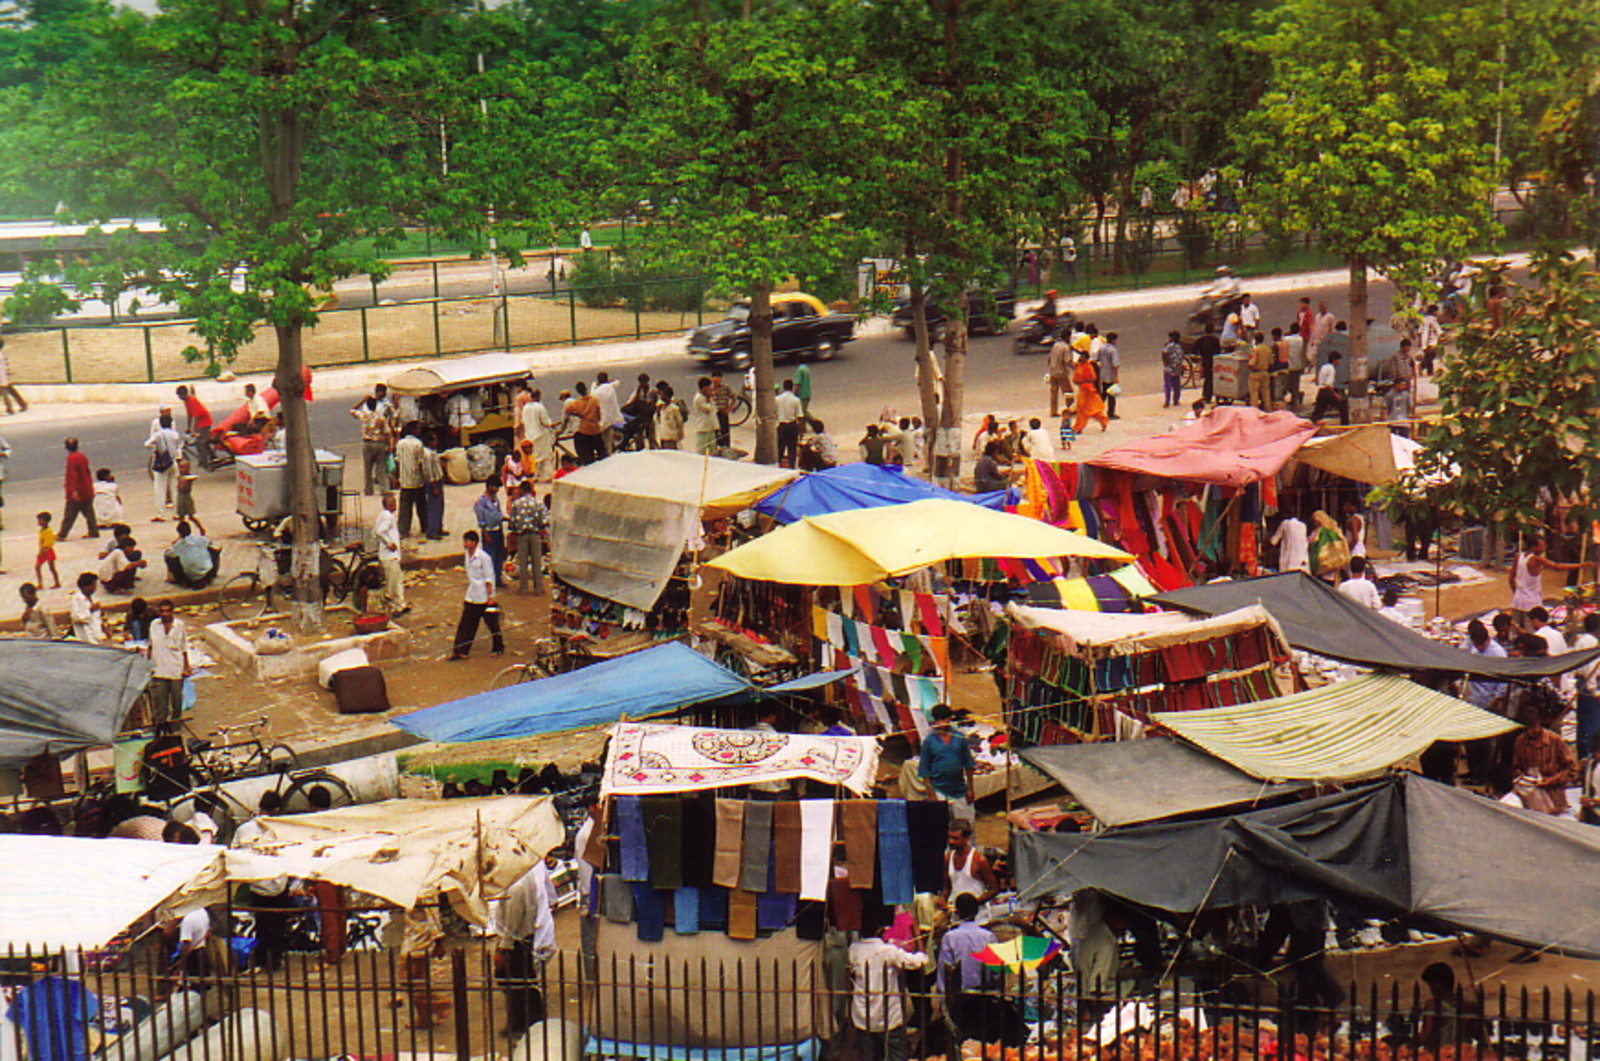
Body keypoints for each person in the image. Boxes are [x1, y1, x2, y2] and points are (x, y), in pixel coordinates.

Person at [497, 853, 557, 1035]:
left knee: (513, 982)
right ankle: (534, 1019)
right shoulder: (526, 876)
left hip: (516, 940)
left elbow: (511, 923)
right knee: (526, 979)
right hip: (526, 936)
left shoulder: (516, 886)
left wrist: (502, 947)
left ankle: (521, 1024)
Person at [848, 924, 928, 1061]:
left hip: (863, 1015)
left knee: (867, 1055)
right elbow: (918, 962)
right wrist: (920, 948)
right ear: (880, 929)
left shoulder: (853, 949)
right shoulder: (889, 951)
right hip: (888, 1015)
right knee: (896, 1054)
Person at [1511, 705, 1577, 814]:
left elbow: (1573, 769)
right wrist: (1522, 778)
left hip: (1553, 798)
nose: (1531, 732)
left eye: (1534, 728)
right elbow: (1515, 767)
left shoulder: (1555, 740)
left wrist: (1551, 780)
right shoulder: (1520, 741)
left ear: (1540, 723)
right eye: (1528, 729)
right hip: (1528, 797)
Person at [450, 530, 503, 660]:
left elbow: (489, 577)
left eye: (467, 541)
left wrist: (491, 597)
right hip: (472, 594)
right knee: (466, 623)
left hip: (484, 596)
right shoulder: (467, 555)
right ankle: (461, 650)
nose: (465, 544)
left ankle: (498, 647)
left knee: (492, 624)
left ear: (474, 542)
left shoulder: (484, 557)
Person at [1509, 536, 1584, 626]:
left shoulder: (1518, 557)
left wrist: (1516, 592)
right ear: (1534, 547)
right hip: (1531, 603)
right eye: (1542, 546)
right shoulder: (1536, 559)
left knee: (1515, 629)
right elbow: (1557, 566)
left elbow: (1511, 578)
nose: (1544, 549)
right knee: (1532, 630)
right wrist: (1580, 565)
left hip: (1517, 600)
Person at [920, 704, 976, 821]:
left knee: (966, 826)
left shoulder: (959, 738)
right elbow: (924, 770)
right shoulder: (929, 741)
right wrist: (932, 794)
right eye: (938, 720)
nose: (941, 723)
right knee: (941, 827)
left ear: (950, 719)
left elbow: (969, 764)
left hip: (960, 790)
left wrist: (970, 789)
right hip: (939, 790)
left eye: (944, 719)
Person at [146, 599, 190, 725]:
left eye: (167, 611)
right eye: (162, 611)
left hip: (175, 668)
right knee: (160, 702)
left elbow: (183, 647)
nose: (165, 614)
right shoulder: (154, 625)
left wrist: (187, 667)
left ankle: (176, 725)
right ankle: (160, 726)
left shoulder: (179, 625)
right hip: (158, 669)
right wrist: (146, 665)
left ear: (172, 612)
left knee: (176, 700)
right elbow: (150, 645)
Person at [944, 820, 998, 905]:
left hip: (978, 914)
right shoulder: (948, 858)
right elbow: (947, 887)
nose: (951, 842)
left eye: (955, 838)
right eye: (949, 838)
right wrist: (942, 899)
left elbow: (994, 889)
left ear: (967, 838)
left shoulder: (979, 860)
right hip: (955, 911)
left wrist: (974, 902)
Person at [508, 480, 548, 597]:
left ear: (521, 490)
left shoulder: (516, 504)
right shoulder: (538, 503)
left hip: (522, 535)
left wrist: (515, 530)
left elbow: (512, 522)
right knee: (536, 561)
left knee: (523, 561)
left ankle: (523, 588)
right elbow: (543, 521)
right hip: (535, 534)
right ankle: (538, 588)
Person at [350, 394, 392, 495]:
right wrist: (389, 445)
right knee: (381, 468)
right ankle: (384, 489)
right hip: (379, 443)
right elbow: (387, 432)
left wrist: (361, 401)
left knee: (367, 468)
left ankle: (368, 489)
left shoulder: (363, 415)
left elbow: (352, 410)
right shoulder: (380, 417)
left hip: (367, 443)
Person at [146, 413, 183, 519]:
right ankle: (177, 513)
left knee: (160, 489)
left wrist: (156, 449)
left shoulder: (159, 434)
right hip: (173, 462)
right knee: (174, 488)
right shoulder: (175, 434)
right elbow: (177, 448)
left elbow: (147, 444)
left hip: (162, 463)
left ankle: (160, 514)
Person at [373, 492, 405, 615]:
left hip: (387, 556)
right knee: (394, 582)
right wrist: (389, 543)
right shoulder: (388, 517)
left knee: (395, 581)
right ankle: (396, 607)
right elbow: (380, 531)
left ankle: (400, 605)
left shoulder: (383, 515)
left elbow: (376, 530)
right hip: (390, 556)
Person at [59, 437, 97, 540]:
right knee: (89, 513)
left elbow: (73, 475)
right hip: (86, 489)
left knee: (70, 514)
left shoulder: (71, 459)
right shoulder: (82, 457)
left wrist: (73, 490)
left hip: (78, 492)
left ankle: (62, 534)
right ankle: (93, 531)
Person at [473, 480, 506, 588]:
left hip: (498, 531)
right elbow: (481, 520)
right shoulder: (481, 502)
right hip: (490, 531)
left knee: (499, 557)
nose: (497, 490)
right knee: (490, 558)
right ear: (489, 486)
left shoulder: (495, 499)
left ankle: (498, 579)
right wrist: (486, 534)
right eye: (496, 487)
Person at [563, 381, 605, 465]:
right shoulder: (594, 400)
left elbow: (567, 410)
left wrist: (578, 414)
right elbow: (599, 415)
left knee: (587, 456)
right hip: (595, 429)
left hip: (584, 429)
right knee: (602, 454)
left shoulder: (578, 403)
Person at [164, 521, 216, 588]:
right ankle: (211, 576)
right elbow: (210, 543)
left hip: (189, 573)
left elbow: (169, 554)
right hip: (206, 569)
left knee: (170, 557)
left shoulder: (179, 545)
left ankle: (181, 580)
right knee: (211, 550)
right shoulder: (200, 538)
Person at [520, 389, 557, 478]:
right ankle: (547, 475)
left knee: (534, 457)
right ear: (539, 397)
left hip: (529, 436)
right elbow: (545, 422)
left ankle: (535, 475)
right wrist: (552, 425)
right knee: (546, 457)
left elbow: (523, 421)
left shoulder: (525, 407)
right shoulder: (540, 407)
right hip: (541, 435)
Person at [1072, 350, 1108, 434]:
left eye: (1083, 357)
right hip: (1082, 391)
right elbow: (1075, 378)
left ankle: (1103, 421)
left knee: (1093, 410)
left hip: (1089, 391)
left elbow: (1093, 378)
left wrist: (1083, 381)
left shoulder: (1089, 367)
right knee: (1081, 409)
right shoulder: (1079, 366)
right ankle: (1078, 427)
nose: (1081, 358)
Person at [1310, 352, 1348, 424]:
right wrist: (1335, 395)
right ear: (1334, 360)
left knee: (1318, 412)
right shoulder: (1331, 369)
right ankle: (1344, 424)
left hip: (1321, 392)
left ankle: (1311, 424)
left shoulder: (1324, 367)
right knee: (1343, 407)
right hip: (1327, 392)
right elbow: (1328, 385)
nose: (1339, 362)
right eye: (1338, 360)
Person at [775, 379, 805, 467]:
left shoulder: (777, 399)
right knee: (792, 449)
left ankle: (778, 465)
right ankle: (792, 466)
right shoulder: (796, 400)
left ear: (783, 387)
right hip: (792, 426)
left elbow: (774, 413)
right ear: (792, 388)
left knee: (780, 448)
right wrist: (801, 432)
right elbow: (800, 417)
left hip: (782, 426)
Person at [69, 572, 104, 644]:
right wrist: (90, 610)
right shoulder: (76, 599)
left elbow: (98, 617)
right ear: (86, 586)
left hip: (96, 633)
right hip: (85, 636)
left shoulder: (94, 598)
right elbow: (76, 617)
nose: (95, 587)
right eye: (93, 585)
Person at [594, 371, 623, 454]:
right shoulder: (611, 386)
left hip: (603, 420)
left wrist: (596, 384)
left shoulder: (596, 391)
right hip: (615, 418)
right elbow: (617, 381)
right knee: (610, 441)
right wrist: (609, 381)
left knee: (605, 442)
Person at [1192, 322, 1221, 403]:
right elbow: (1218, 352)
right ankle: (1208, 396)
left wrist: (1199, 355)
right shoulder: (1215, 340)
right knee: (1210, 379)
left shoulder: (1201, 339)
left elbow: (1194, 349)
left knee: (1207, 378)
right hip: (1213, 361)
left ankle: (1205, 395)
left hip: (1205, 361)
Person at [690, 377, 718, 456]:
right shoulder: (698, 398)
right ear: (704, 387)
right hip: (703, 429)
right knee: (701, 452)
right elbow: (708, 409)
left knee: (713, 452)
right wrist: (708, 398)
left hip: (711, 428)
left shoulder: (709, 398)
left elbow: (714, 409)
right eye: (709, 387)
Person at [1047, 333, 1074, 417]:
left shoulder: (1055, 345)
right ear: (1067, 337)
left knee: (1054, 392)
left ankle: (1053, 411)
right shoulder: (1065, 347)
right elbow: (1067, 361)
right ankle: (1070, 409)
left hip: (1053, 371)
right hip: (1061, 372)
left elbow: (1049, 358)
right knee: (1068, 392)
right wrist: (1075, 368)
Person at [1096, 331, 1121, 419]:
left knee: (1104, 394)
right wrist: (1116, 377)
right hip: (1110, 375)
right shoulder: (1113, 350)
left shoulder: (1102, 348)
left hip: (1103, 374)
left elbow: (1097, 359)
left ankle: (1097, 409)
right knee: (1111, 395)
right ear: (1113, 340)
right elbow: (1115, 365)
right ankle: (1111, 413)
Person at [653, 381, 684, 450]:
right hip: (662, 437)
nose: (661, 396)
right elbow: (656, 420)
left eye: (662, 395)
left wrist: (679, 436)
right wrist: (658, 412)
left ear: (667, 396)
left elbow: (680, 422)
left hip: (671, 438)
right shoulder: (662, 407)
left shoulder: (673, 408)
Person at [1247, 329, 1273, 409]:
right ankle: (1268, 410)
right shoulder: (1268, 349)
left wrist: (1249, 365)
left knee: (1254, 394)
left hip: (1255, 374)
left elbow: (1252, 363)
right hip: (1265, 373)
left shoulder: (1256, 350)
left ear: (1255, 340)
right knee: (1266, 394)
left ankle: (1255, 411)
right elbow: (1271, 362)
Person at [35, 511, 60, 589]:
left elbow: (49, 542)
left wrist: (43, 550)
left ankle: (56, 582)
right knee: (37, 567)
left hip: (47, 551)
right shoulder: (43, 530)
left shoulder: (48, 531)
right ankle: (40, 584)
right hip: (43, 551)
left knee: (51, 568)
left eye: (40, 520)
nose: (39, 522)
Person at [1160, 331, 1185, 408]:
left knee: (1168, 385)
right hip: (1177, 368)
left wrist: (1165, 363)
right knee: (1176, 386)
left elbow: (1164, 354)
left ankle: (1167, 401)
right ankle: (1176, 400)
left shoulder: (1168, 346)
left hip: (1169, 368)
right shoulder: (1179, 346)